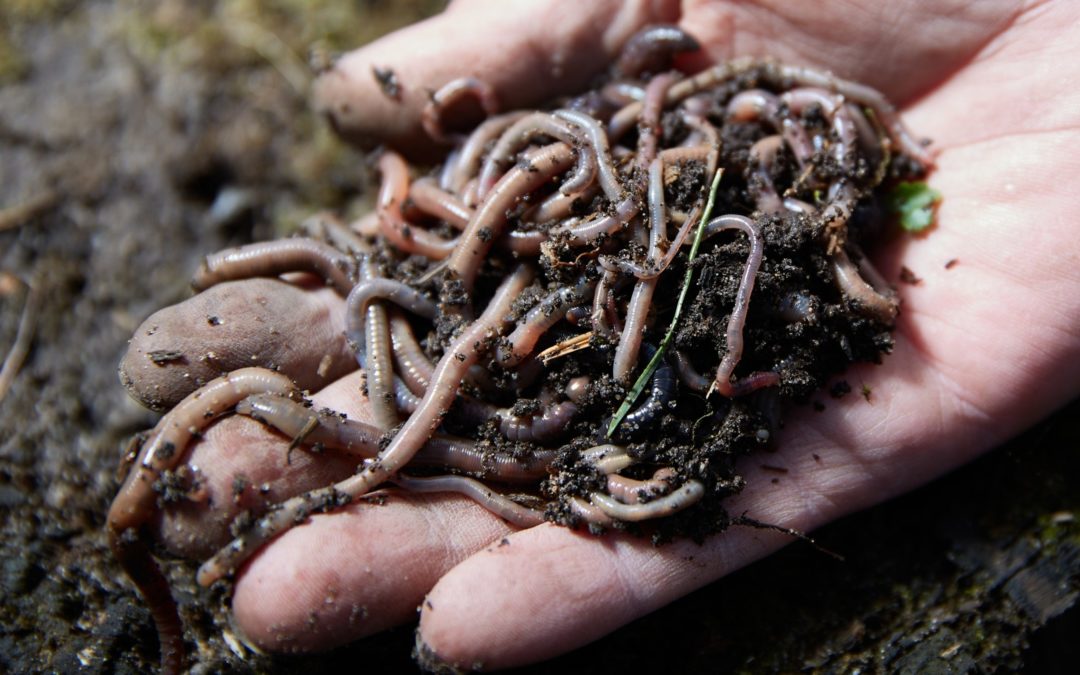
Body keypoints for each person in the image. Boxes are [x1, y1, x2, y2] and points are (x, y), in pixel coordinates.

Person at [123, 0, 1080, 669]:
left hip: (660, 279)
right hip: (526, 306)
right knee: (440, 402)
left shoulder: (752, 212)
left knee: (668, 305)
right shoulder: (566, 190)